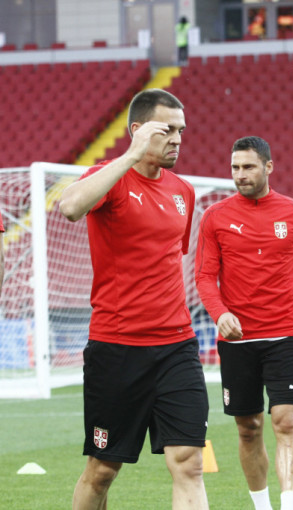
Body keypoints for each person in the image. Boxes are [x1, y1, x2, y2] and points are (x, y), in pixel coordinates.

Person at [59, 89, 209, 510]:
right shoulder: (109, 176)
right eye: (167, 130)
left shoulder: (183, 191)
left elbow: (167, 258)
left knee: (189, 462)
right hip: (117, 347)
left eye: (181, 130)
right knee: (102, 470)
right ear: (139, 130)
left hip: (177, 346)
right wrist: (130, 155)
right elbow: (69, 207)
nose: (177, 139)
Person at [195, 136, 293, 510]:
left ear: (268, 167)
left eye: (248, 167)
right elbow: (204, 277)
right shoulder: (214, 217)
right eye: (235, 168)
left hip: (285, 335)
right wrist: (220, 313)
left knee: (286, 422)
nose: (240, 175)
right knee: (249, 428)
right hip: (237, 341)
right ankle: (262, 506)